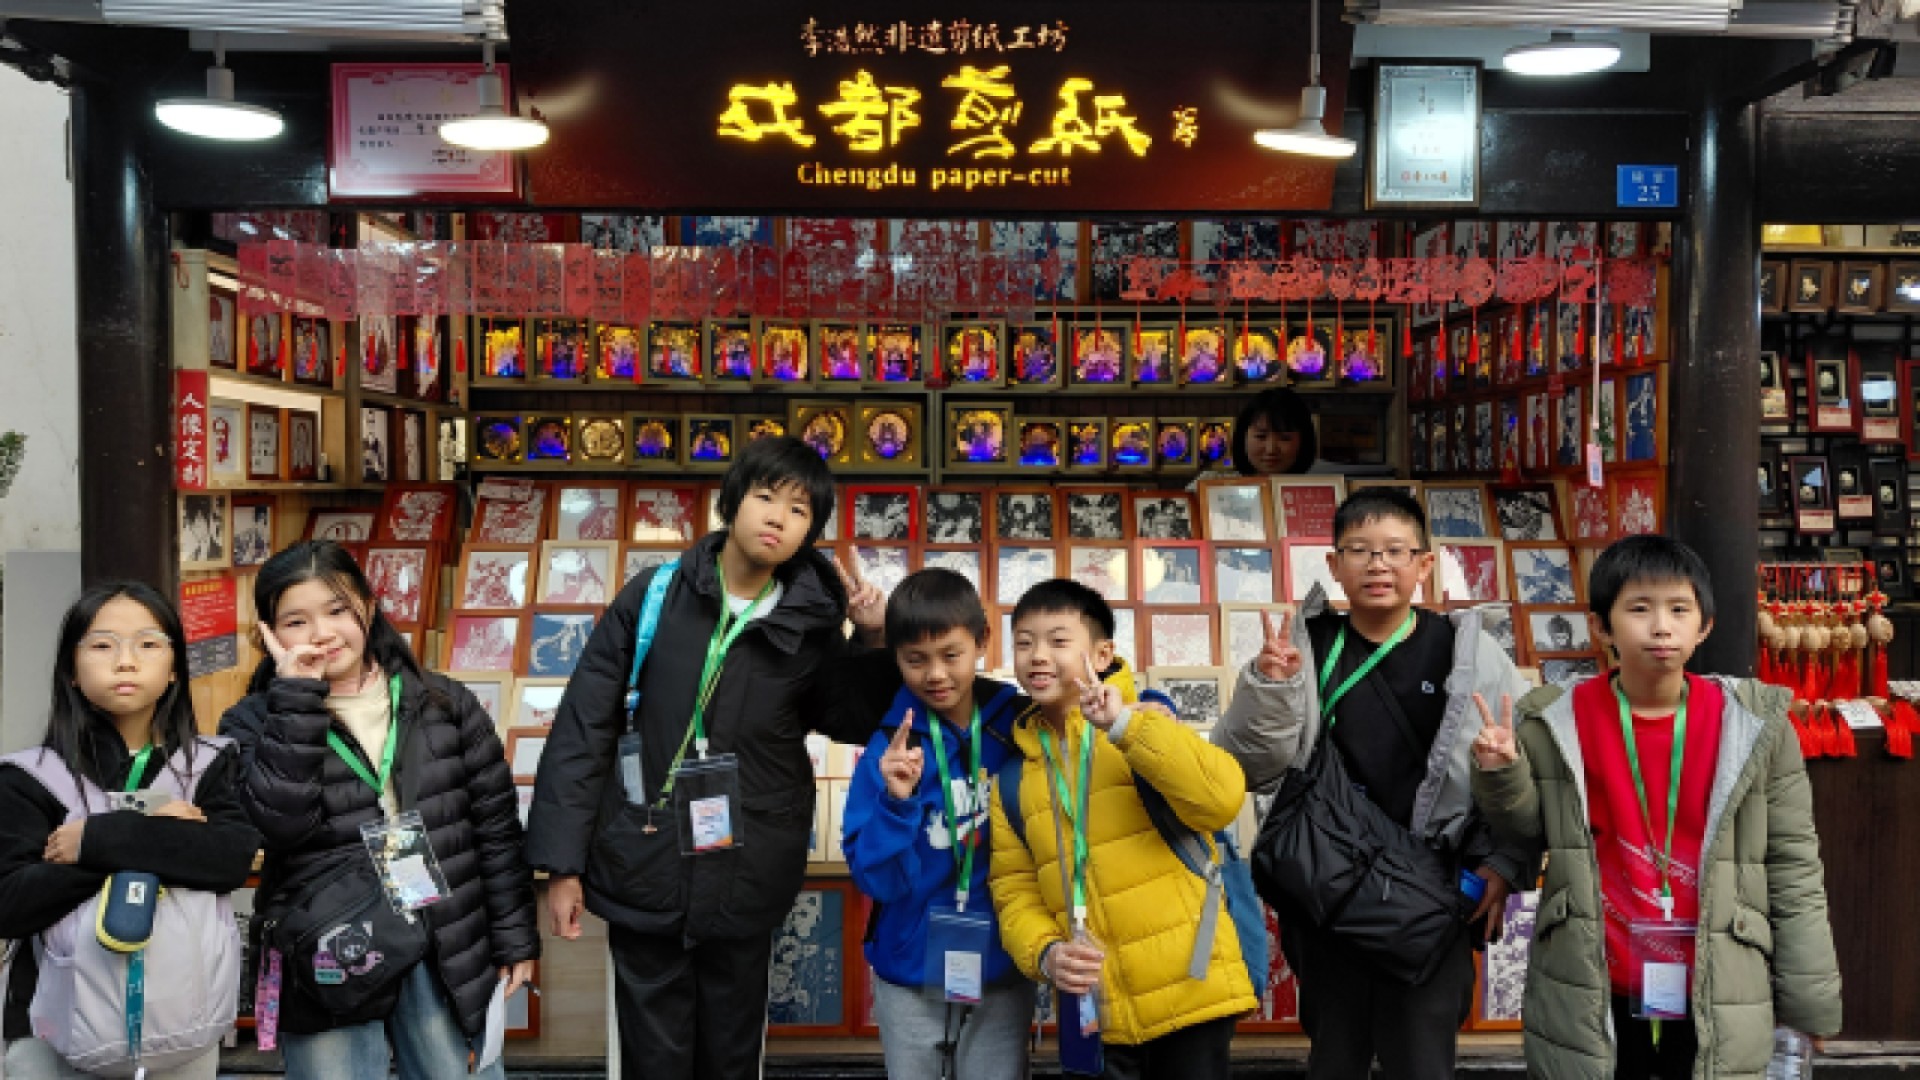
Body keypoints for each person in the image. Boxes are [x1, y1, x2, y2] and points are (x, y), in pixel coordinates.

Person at [525, 435, 889, 1080]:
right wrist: (563, 865)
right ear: (733, 500)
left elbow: (850, 718)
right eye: (766, 497)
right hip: (646, 859)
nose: (778, 518)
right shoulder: (655, 596)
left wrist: (872, 637)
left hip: (750, 869)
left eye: (800, 511)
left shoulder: (811, 619)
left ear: (811, 532)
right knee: (652, 1059)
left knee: (731, 1054)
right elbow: (584, 727)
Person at [1470, 536, 1841, 1079]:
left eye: (1679, 609)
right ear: (1601, 626)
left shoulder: (1753, 726)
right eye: (1640, 609)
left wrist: (1808, 1004)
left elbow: (1793, 865)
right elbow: (1528, 831)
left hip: (1719, 985)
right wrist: (1501, 773)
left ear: (1705, 626)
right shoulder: (1555, 721)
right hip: (1595, 982)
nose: (1662, 627)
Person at [1212, 489, 1535, 1080]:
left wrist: (1503, 862)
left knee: (1423, 1060)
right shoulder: (1305, 646)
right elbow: (1245, 766)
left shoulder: (1467, 651)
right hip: (1328, 886)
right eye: (1359, 550)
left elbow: (1524, 770)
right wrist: (1269, 688)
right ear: (1333, 565)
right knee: (1336, 1055)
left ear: (1424, 564)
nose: (1378, 565)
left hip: (1431, 891)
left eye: (1395, 551)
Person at [220, 542, 540, 1080]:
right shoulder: (252, 722)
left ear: (368, 607)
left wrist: (514, 939)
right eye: (296, 621)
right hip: (329, 944)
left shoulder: (444, 705)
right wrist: (296, 698)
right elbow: (278, 826)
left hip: (444, 937)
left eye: (337, 610)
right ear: (268, 634)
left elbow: (495, 831)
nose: (322, 633)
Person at [989, 580, 1256, 1080]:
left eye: (1057, 640)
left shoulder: (1143, 723)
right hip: (1097, 1009)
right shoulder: (1012, 778)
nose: (1037, 655)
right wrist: (1046, 953)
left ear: (1102, 653)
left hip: (1191, 990)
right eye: (1024, 643)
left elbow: (1221, 798)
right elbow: (1013, 890)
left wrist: (1125, 727)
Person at [0, 583, 260, 1080]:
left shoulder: (208, 763)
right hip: (51, 1035)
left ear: (175, 668)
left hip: (182, 1030)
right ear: (71, 669)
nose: (125, 661)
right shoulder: (28, 776)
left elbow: (230, 858)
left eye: (148, 643)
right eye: (102, 645)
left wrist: (96, 841)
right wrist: (167, 842)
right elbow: (11, 901)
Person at [842, 569, 1035, 1080]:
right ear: (895, 657)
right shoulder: (891, 745)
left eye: (951, 655)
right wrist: (895, 803)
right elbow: (875, 879)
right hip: (908, 971)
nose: (935, 674)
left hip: (1003, 965)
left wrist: (1153, 706)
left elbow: (1088, 717)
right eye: (915, 659)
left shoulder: (1021, 726)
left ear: (982, 642)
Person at [1230, 387, 1319, 476]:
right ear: (1243, 437)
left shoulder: (1322, 479)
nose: (1271, 450)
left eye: (1284, 438)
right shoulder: (1227, 483)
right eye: (1261, 436)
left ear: (1304, 441)